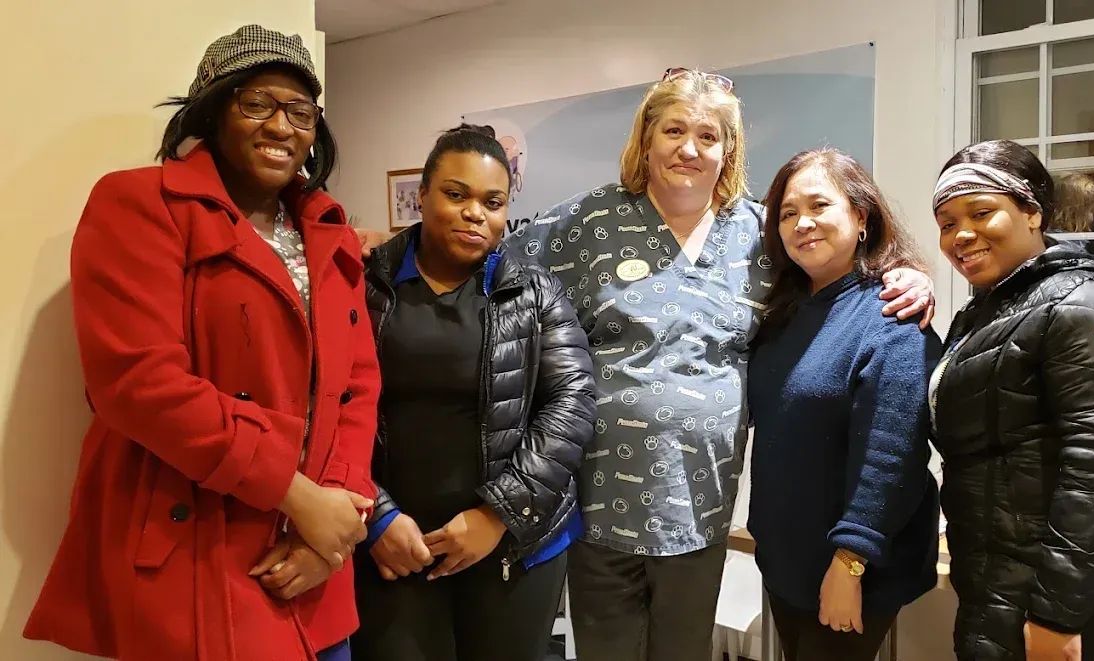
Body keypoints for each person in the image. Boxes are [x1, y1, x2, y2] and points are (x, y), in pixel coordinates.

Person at [355, 67, 937, 661]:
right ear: (646, 139)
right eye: (673, 130)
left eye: (708, 137)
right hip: (597, 509)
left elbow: (830, 279)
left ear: (728, 150)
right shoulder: (587, 224)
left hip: (702, 512)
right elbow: (482, 248)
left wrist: (902, 271)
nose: (689, 149)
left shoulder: (760, 236)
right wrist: (378, 250)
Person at [25, 25, 377, 661]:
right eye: (257, 103)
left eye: (300, 111)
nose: (281, 127)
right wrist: (299, 497)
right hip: (195, 552)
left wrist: (336, 520)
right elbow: (137, 384)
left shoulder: (330, 228)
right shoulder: (139, 203)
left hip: (316, 570)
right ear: (213, 110)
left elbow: (358, 381)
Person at [351, 124, 596, 661]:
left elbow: (572, 402)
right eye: (455, 194)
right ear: (422, 195)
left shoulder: (535, 291)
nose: (473, 213)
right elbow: (330, 411)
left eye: (492, 201)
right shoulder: (363, 285)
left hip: (510, 545)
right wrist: (378, 517)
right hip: (395, 547)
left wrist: (496, 516)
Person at [929, 140, 1094, 661]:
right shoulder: (987, 311)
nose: (961, 235)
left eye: (982, 212)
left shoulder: (1089, 303)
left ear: (1033, 212)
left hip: (1071, 593)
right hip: (1000, 573)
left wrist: (1057, 617)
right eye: (947, 223)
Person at [746, 148, 942, 661]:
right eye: (788, 213)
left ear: (861, 217)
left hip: (851, 569)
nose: (802, 224)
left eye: (819, 206)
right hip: (787, 562)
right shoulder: (783, 316)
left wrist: (850, 561)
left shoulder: (892, 317)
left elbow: (892, 455)